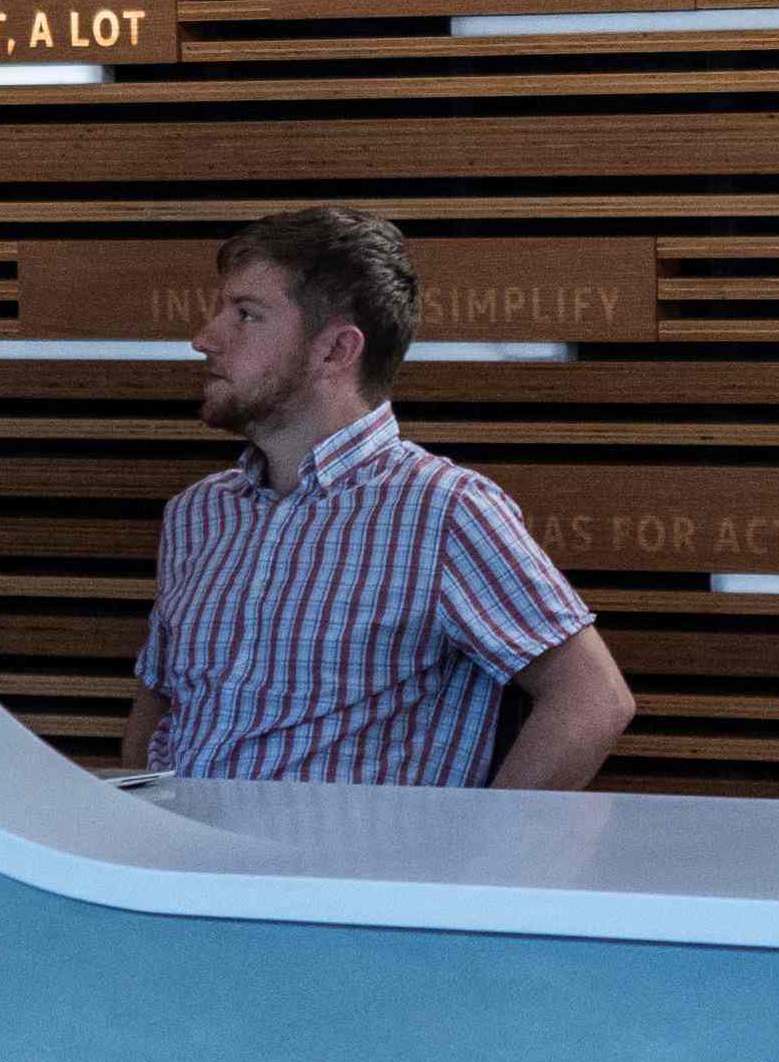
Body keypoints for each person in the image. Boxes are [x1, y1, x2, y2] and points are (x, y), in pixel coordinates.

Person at [119, 204, 635, 790]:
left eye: (246, 315)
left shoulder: (445, 509)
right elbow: (155, 708)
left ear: (336, 351)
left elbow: (593, 700)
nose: (205, 338)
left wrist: (488, 863)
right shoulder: (198, 514)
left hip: (342, 875)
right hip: (174, 870)